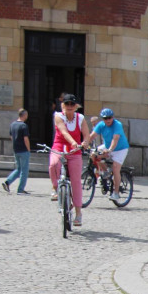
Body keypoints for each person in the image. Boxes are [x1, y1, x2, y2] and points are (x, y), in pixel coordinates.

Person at [49, 93, 91, 226]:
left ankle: (78, 213)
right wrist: (73, 142)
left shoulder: (80, 118)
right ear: (63, 105)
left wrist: (85, 142)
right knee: (53, 164)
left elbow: (86, 134)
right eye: (67, 104)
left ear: (76, 106)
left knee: (76, 181)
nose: (69, 106)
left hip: (75, 150)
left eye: (72, 104)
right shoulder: (58, 116)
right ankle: (56, 187)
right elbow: (63, 131)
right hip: (60, 147)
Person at [89, 108, 129, 202]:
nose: (107, 120)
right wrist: (84, 143)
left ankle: (116, 193)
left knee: (115, 168)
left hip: (120, 149)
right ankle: (105, 172)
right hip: (107, 146)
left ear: (113, 117)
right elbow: (92, 136)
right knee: (93, 154)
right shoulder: (101, 125)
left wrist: (109, 150)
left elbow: (115, 139)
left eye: (109, 118)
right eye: (105, 118)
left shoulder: (117, 125)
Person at [2, 109, 30, 195]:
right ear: (24, 115)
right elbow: (26, 139)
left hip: (16, 149)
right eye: (27, 115)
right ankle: (20, 189)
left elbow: (11, 137)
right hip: (23, 150)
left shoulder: (12, 125)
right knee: (24, 170)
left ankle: (7, 182)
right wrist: (28, 149)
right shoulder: (23, 126)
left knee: (18, 169)